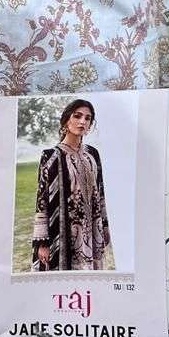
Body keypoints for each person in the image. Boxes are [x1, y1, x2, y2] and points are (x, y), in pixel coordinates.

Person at [32, 99, 111, 271]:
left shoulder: (93, 154)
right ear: (66, 120)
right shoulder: (51, 156)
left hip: (92, 229)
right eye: (77, 116)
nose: (83, 121)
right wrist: (42, 243)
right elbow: (42, 201)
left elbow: (100, 193)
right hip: (65, 232)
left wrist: (104, 226)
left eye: (88, 118)